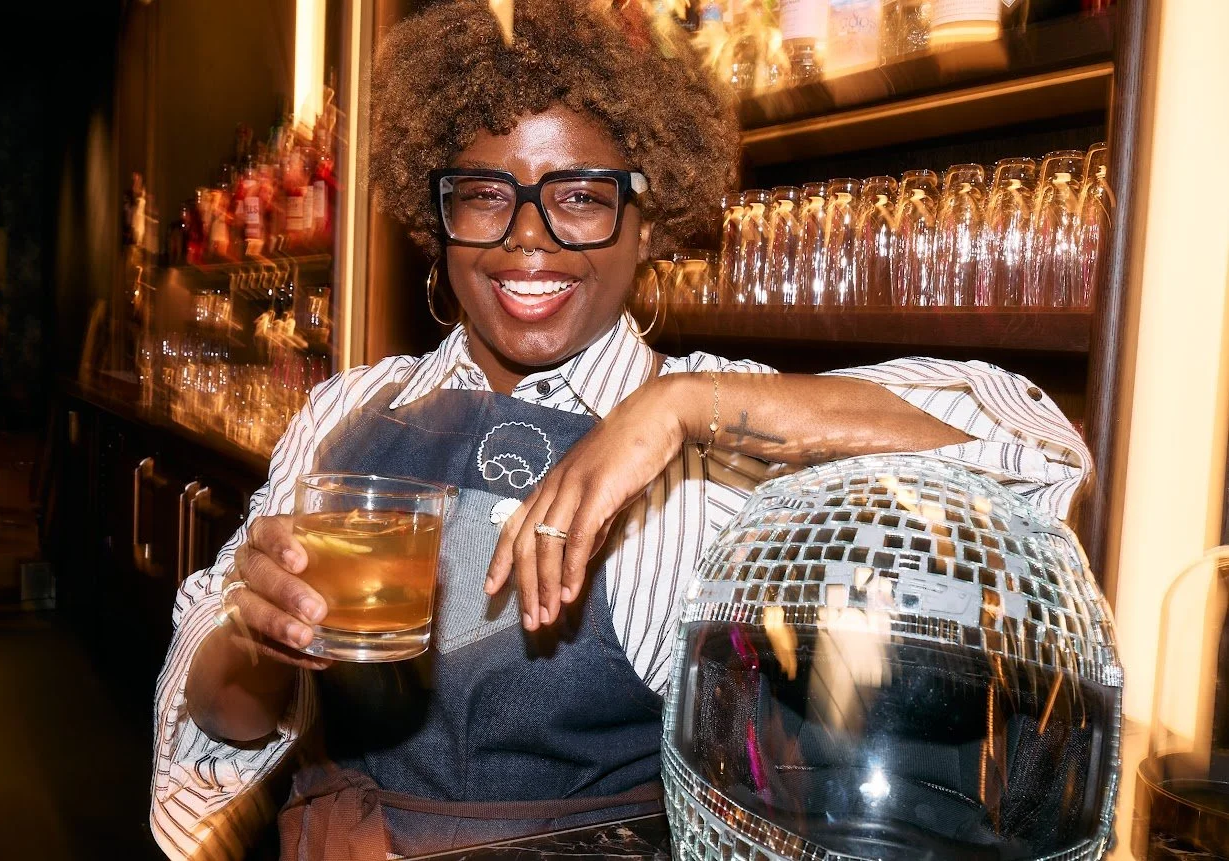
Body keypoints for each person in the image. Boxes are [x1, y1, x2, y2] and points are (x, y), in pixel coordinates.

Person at [151, 2, 1091, 858]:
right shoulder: (347, 414)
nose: (530, 239)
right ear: (436, 220)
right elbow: (213, 726)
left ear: (649, 220)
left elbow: (1033, 453)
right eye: (484, 193)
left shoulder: (722, 445)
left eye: (582, 197)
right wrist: (256, 636)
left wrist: (679, 409)